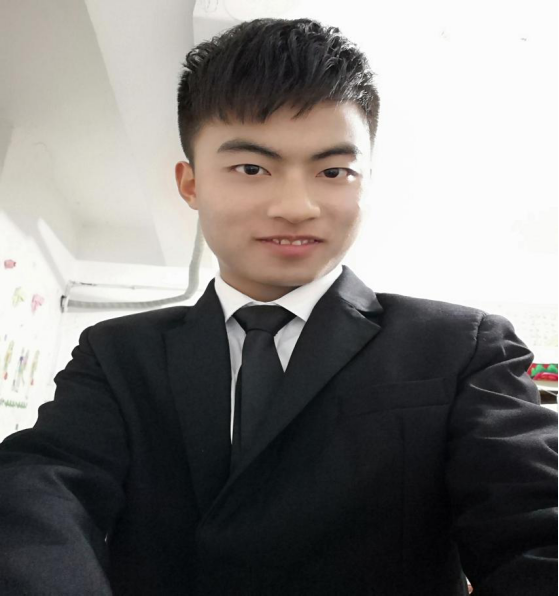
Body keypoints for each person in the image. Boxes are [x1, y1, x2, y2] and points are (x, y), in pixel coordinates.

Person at [0, 17, 557, 596]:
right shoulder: (118, 353)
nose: (296, 206)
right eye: (251, 168)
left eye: (333, 171)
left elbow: (537, 526)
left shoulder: (461, 347)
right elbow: (40, 486)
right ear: (191, 184)